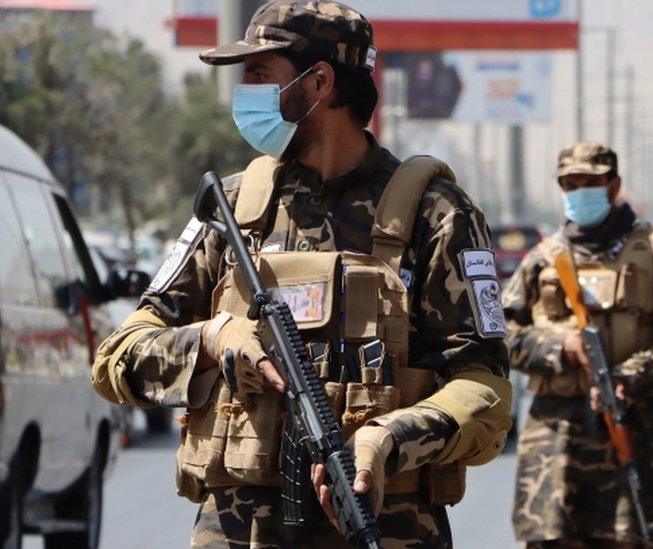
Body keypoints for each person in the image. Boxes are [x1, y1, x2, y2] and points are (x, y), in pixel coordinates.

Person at [90, 2, 512, 547]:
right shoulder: (236, 207)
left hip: (382, 527)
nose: (243, 95)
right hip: (240, 532)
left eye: (260, 76)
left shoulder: (435, 214)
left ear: (319, 83)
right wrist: (212, 339)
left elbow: (487, 389)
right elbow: (116, 360)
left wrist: (389, 439)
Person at [503, 142, 653, 548]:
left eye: (589, 182)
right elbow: (500, 334)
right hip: (555, 437)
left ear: (613, 185)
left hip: (632, 425)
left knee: (638, 536)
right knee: (550, 537)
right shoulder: (543, 259)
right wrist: (559, 347)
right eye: (570, 184)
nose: (579, 192)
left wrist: (630, 378)